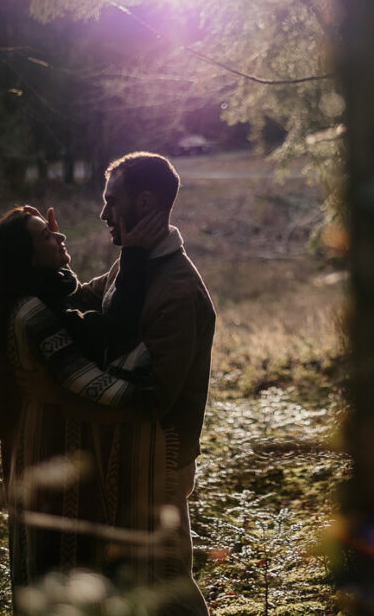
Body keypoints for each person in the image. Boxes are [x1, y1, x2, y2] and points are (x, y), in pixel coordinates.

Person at [0, 206, 178, 604]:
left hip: (33, 452)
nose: (59, 236)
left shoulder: (19, 301)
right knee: (61, 570)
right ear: (24, 257)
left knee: (40, 561)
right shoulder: (34, 315)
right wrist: (152, 392)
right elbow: (91, 384)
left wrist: (57, 259)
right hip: (52, 456)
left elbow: (77, 302)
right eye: (45, 236)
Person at [42, 151, 216, 613]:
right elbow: (86, 301)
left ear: (143, 203)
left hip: (160, 463)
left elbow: (152, 394)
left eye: (111, 200)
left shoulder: (177, 289)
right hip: (128, 456)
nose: (103, 213)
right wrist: (45, 259)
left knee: (167, 584)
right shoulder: (134, 265)